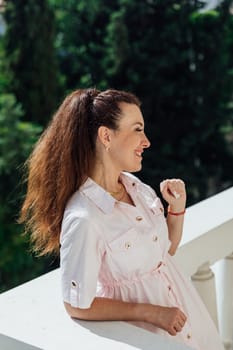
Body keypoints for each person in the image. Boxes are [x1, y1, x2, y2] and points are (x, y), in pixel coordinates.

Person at [20, 88, 224, 350]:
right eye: (137, 129)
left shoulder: (136, 188)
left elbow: (164, 252)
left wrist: (177, 209)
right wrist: (153, 313)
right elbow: (77, 304)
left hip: (188, 316)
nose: (147, 141)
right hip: (147, 335)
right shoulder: (84, 217)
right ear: (106, 136)